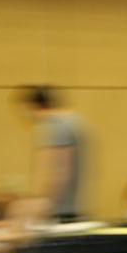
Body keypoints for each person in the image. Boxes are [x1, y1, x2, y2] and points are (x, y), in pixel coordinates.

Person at [21, 85, 88, 223]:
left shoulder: (55, 125)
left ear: (34, 107)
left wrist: (37, 208)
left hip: (60, 212)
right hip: (75, 208)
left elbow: (59, 173)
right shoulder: (76, 121)